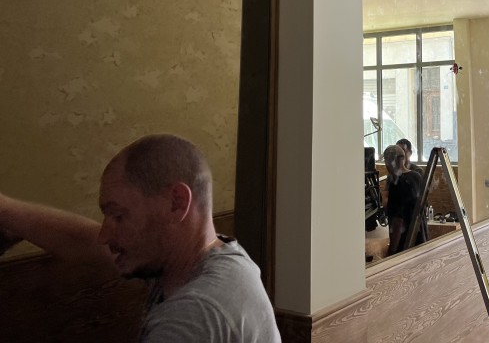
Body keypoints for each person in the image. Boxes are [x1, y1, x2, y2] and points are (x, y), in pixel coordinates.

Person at [0, 133, 281, 342]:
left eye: (119, 216)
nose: (104, 235)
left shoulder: (192, 316)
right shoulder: (214, 257)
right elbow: (82, 241)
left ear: (176, 203)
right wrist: (8, 213)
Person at [383, 144, 427, 255]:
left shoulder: (396, 183)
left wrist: (392, 251)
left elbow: (398, 222)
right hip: (420, 240)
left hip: (405, 247)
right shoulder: (417, 176)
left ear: (389, 161)